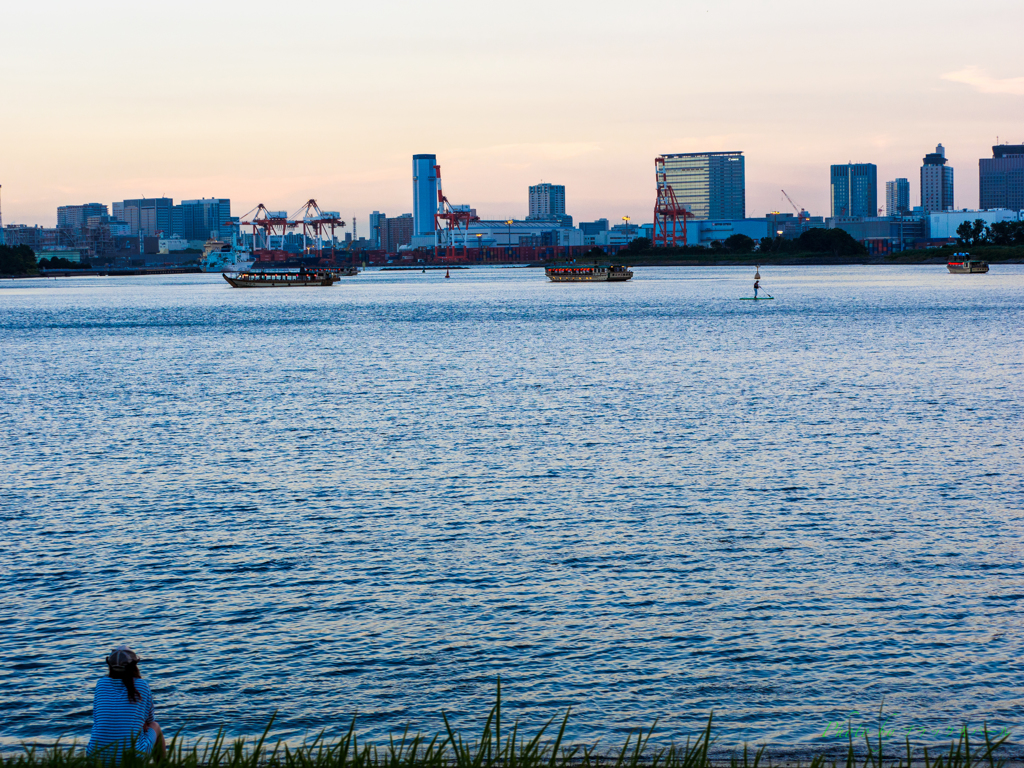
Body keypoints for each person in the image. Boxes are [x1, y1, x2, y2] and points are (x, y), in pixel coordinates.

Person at [87, 646, 165, 763]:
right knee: (155, 726)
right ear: (134, 666)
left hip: (95, 757)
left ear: (110, 666)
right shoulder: (141, 686)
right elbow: (150, 720)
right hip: (132, 759)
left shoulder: (101, 684)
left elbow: (97, 718)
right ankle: (163, 766)